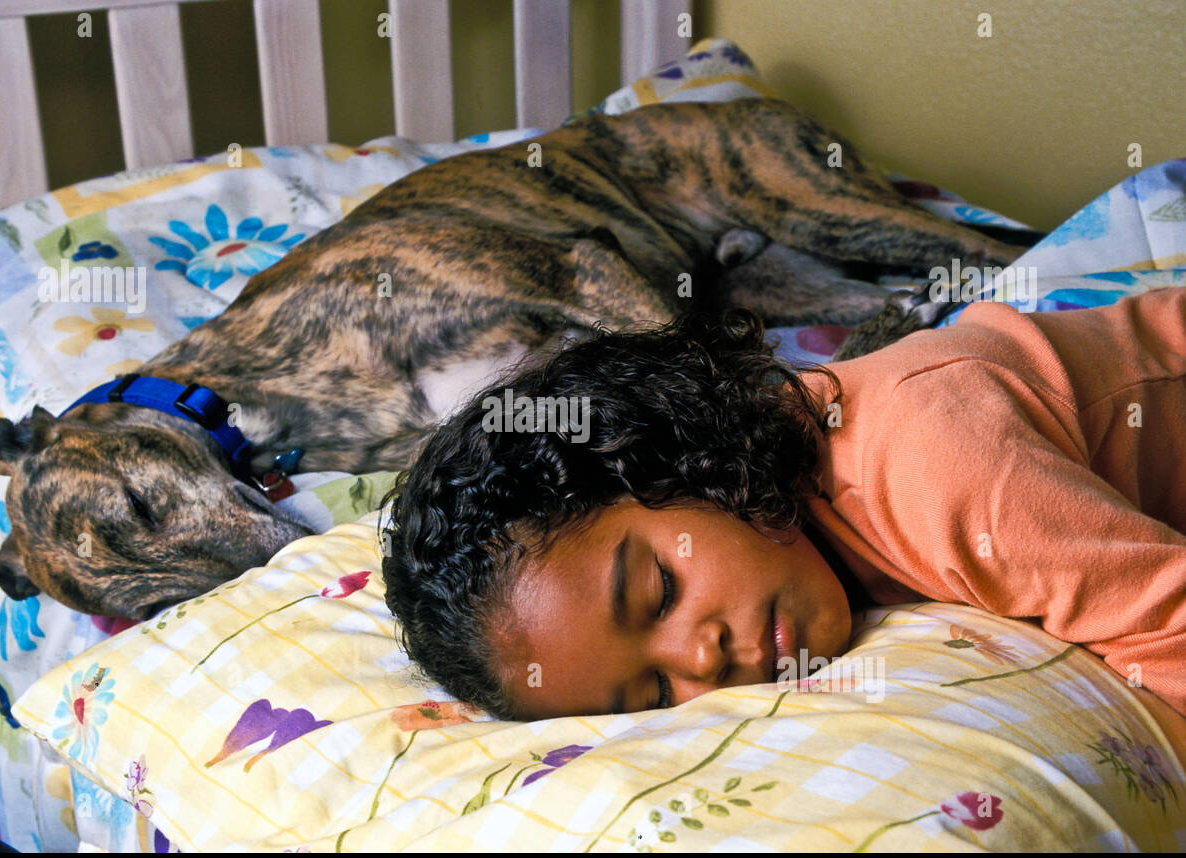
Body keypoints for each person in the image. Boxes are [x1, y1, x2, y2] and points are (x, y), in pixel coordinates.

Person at [381, 289, 1186, 721]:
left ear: (671, 460)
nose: (702, 663)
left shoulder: (934, 464)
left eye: (661, 589)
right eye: (655, 694)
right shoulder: (799, 514)